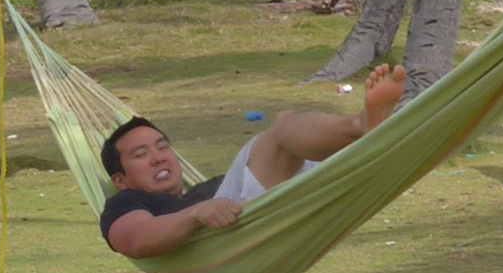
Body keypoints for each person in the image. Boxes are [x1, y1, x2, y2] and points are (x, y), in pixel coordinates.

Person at [97, 68, 408, 259]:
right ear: (120, 180)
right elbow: (135, 240)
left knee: (286, 123)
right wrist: (197, 214)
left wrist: (198, 206)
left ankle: (370, 137)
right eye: (140, 155)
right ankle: (361, 126)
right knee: (278, 135)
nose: (158, 157)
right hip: (236, 230)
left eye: (162, 146)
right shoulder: (126, 202)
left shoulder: (205, 188)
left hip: (287, 202)